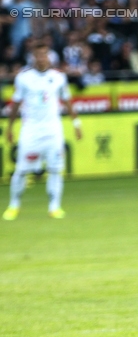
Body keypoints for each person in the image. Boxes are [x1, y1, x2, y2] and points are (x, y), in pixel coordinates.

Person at [3, 42, 82, 221]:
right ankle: (14, 205)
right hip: (30, 130)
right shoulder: (24, 78)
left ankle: (54, 207)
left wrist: (76, 123)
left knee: (55, 169)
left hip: (53, 130)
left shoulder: (58, 77)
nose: (41, 58)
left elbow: (68, 100)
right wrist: (10, 127)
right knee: (22, 170)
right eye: (38, 55)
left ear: (49, 56)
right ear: (33, 57)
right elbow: (15, 103)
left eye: (44, 55)